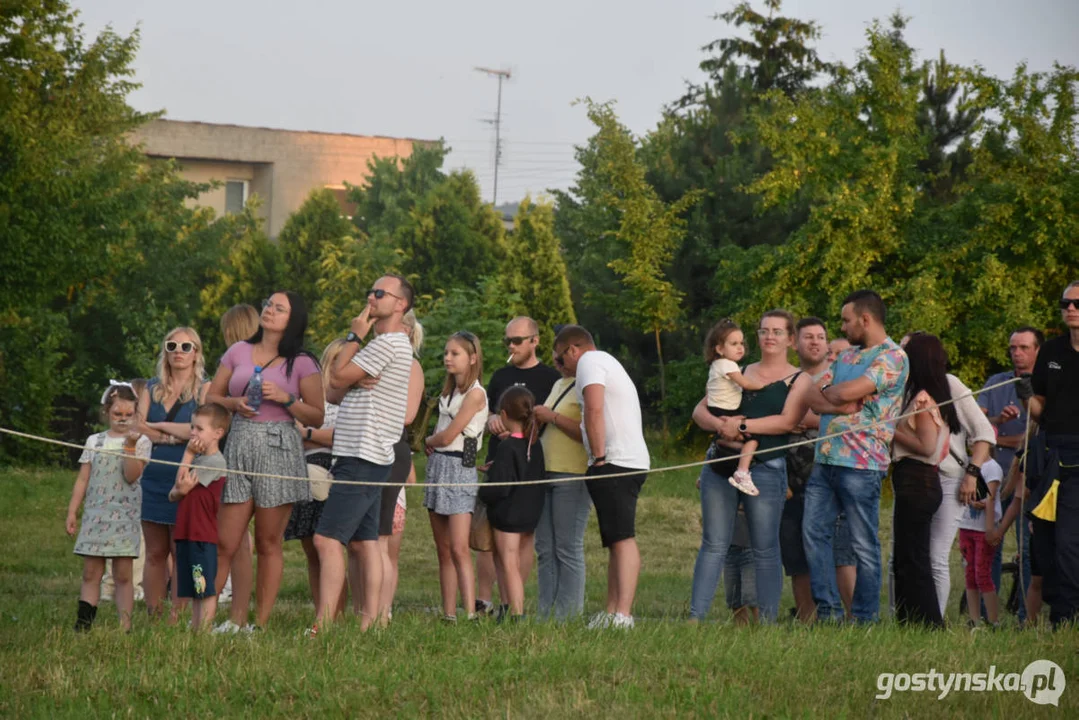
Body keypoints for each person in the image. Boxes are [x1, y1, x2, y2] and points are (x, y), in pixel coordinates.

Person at [207, 291, 325, 632]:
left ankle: (257, 624)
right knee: (226, 540)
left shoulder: (302, 361)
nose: (269, 311)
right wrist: (234, 403)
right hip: (240, 441)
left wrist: (287, 399)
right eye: (268, 305)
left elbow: (316, 414)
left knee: (267, 542)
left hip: (280, 446)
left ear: (293, 319)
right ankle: (217, 620)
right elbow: (212, 395)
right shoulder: (238, 351)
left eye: (279, 307)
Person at [691, 310, 815, 623]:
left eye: (777, 331)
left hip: (766, 470)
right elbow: (699, 411)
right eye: (763, 331)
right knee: (713, 544)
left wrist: (743, 427)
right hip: (720, 465)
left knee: (765, 548)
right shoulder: (736, 369)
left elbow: (786, 421)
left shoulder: (800, 379)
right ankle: (695, 618)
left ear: (790, 339)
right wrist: (722, 426)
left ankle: (768, 622)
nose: (769, 337)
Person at [310, 276, 415, 635]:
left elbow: (336, 380)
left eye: (380, 293)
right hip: (365, 452)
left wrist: (354, 337)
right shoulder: (382, 345)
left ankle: (323, 626)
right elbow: (335, 392)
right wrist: (349, 375)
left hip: (363, 453)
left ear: (401, 304)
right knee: (366, 541)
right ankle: (370, 623)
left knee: (327, 539)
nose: (371, 297)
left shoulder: (386, 344)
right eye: (370, 291)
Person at [802, 290, 908, 624]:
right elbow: (810, 396)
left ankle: (864, 617)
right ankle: (830, 611)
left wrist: (835, 397)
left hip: (862, 465)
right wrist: (840, 401)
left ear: (865, 319)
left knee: (863, 544)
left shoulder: (892, 357)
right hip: (825, 460)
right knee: (813, 533)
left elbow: (842, 391)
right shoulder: (846, 358)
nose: (843, 327)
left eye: (847, 320)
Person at [554, 325, 650, 629]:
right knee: (615, 539)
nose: (561, 368)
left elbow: (593, 409)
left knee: (623, 538)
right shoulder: (604, 361)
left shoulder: (589, 362)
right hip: (620, 460)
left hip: (616, 461)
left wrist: (598, 458)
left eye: (559, 360)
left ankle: (624, 614)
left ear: (573, 350)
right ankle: (611, 612)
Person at [475, 317, 561, 616]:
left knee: (518, 545)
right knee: (488, 542)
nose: (511, 346)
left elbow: (551, 417)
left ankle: (513, 604)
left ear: (535, 341)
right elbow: (484, 411)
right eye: (507, 341)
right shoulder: (501, 375)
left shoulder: (550, 377)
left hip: (527, 467)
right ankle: (485, 600)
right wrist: (490, 421)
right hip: (501, 457)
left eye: (517, 340)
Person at [347, 310, 426, 620]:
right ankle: (360, 610)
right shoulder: (371, 360)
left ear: (405, 332)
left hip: (390, 450)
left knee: (380, 538)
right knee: (358, 539)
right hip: (362, 447)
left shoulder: (412, 366)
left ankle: (381, 613)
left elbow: (406, 416)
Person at [781, 317, 856, 622]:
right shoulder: (783, 378)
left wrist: (800, 418)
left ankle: (855, 620)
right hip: (788, 483)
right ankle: (808, 623)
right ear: (795, 342)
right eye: (808, 336)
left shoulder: (841, 377)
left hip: (833, 478)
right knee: (796, 558)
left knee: (841, 555)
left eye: (820, 337)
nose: (814, 342)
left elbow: (852, 416)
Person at [67, 383, 151, 631]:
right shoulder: (95, 440)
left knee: (123, 576)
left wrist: (130, 447)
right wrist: (73, 511)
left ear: (136, 415)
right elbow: (83, 479)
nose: (123, 420)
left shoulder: (141, 442)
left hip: (124, 519)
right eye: (118, 415)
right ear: (107, 412)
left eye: (128, 415)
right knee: (91, 574)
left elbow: (131, 475)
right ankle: (83, 624)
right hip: (97, 518)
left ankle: (125, 626)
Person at [136, 327, 208, 621]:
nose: (179, 350)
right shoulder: (149, 388)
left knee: (181, 552)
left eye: (186, 346)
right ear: (165, 351)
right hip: (151, 476)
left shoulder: (204, 389)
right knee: (154, 552)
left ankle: (177, 616)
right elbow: (137, 426)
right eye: (172, 345)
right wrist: (172, 435)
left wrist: (159, 428)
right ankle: (154, 614)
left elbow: (199, 430)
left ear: (196, 353)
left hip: (186, 477)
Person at [1019, 280, 1079, 626]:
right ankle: (1061, 611)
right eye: (1065, 303)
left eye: (1077, 304)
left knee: (1070, 542)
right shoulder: (1052, 352)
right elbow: (1039, 408)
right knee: (1045, 544)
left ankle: (1065, 617)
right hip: (1051, 453)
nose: (1070, 308)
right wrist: (1026, 394)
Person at [890, 333, 956, 628]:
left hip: (919, 480)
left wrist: (889, 429)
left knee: (915, 558)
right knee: (905, 556)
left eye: (904, 351)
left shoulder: (923, 398)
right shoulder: (914, 394)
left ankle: (929, 623)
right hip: (911, 480)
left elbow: (927, 446)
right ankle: (909, 621)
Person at [978, 326, 1042, 621]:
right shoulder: (995, 383)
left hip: (1030, 480)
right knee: (986, 544)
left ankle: (1024, 617)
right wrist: (997, 419)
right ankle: (984, 615)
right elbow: (976, 429)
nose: (1017, 353)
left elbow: (1036, 438)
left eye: (1024, 347)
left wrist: (997, 437)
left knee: (1028, 549)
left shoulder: (1046, 385)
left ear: (1038, 350)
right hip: (993, 477)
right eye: (1013, 347)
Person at [424, 331, 488, 622]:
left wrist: (427, 440)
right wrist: (434, 444)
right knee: (444, 548)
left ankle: (470, 613)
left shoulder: (476, 394)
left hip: (459, 467)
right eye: (446, 353)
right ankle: (448, 612)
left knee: (460, 546)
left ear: (472, 358)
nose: (448, 358)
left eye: (455, 353)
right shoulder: (449, 391)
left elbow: (450, 434)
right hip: (439, 465)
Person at [287, 339, 348, 614]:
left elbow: (345, 438)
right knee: (311, 549)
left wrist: (310, 434)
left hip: (337, 472)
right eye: (334, 360)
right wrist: (315, 436)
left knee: (330, 549)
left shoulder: (354, 398)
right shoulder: (313, 398)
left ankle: (337, 614)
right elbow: (294, 431)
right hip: (306, 471)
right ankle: (320, 611)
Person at [478, 386, 547, 621]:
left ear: (504, 415)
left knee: (509, 564)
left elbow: (500, 487)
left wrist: (483, 493)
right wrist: (498, 467)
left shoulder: (507, 446)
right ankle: (506, 608)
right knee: (505, 561)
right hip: (530, 512)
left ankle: (517, 614)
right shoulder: (534, 445)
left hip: (508, 516)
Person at [534, 345, 591, 621]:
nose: (556, 361)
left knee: (567, 546)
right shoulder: (559, 383)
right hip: (546, 471)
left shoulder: (587, 385)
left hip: (572, 473)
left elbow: (588, 432)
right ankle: (545, 614)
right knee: (545, 547)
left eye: (561, 355)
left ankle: (568, 616)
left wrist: (552, 417)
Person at [168, 403, 230, 631]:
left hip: (201, 535)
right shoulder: (199, 460)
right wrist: (177, 492)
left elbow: (181, 483)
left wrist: (188, 453)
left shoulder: (214, 462)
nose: (193, 432)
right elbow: (177, 491)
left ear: (217, 433)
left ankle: (203, 631)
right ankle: (196, 628)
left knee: (204, 587)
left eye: (199, 429)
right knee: (195, 588)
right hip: (187, 532)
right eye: (192, 427)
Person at [216, 304, 260, 607]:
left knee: (229, 540)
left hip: (232, 454)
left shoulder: (236, 364)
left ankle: (215, 605)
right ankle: (238, 610)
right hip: (253, 451)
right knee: (240, 541)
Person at [703, 319, 766, 496]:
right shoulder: (728, 365)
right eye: (733, 344)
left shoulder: (716, 365)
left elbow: (708, 388)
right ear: (719, 349)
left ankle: (716, 460)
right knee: (753, 438)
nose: (740, 347)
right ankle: (742, 473)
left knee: (737, 439)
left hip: (716, 408)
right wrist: (763, 387)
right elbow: (744, 383)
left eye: (741, 343)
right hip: (726, 410)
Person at [958, 453, 1004, 628]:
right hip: (966, 526)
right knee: (970, 574)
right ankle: (975, 620)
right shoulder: (967, 463)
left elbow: (990, 498)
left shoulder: (992, 468)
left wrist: (990, 529)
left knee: (982, 574)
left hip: (982, 529)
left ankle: (993, 621)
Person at [724, 510, 758, 626]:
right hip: (730, 546)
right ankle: (740, 632)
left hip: (753, 544)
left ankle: (763, 630)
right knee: (734, 598)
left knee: (753, 596)